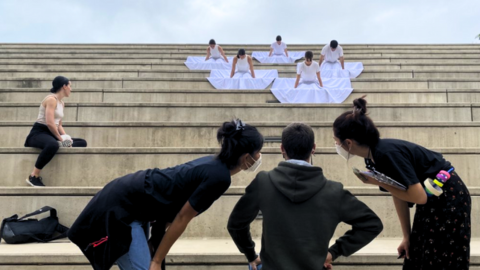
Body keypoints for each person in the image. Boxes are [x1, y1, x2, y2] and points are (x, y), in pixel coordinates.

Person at [68, 119, 264, 270]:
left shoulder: (215, 166)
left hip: (133, 205)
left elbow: (172, 207)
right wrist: (156, 261)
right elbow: (181, 218)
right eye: (258, 152)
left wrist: (155, 245)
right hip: (121, 210)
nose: (259, 157)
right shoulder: (219, 177)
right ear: (246, 157)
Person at [333, 97, 471, 270]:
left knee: (441, 258)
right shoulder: (373, 157)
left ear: (348, 143)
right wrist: (407, 236)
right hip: (432, 197)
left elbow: (418, 197)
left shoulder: (386, 153)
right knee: (419, 254)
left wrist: (375, 181)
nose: (336, 144)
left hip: (448, 197)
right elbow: (398, 193)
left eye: (336, 140)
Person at [228, 123, 383, 270]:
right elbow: (371, 224)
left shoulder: (263, 183)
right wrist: (334, 252)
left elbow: (236, 224)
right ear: (313, 148)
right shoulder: (334, 191)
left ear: (282, 148)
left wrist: (250, 254)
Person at [24, 76, 87, 187]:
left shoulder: (61, 103)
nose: (71, 89)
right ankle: (34, 176)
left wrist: (67, 138)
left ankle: (61, 144)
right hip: (39, 133)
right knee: (52, 145)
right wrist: (60, 138)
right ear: (64, 86)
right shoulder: (51, 99)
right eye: (70, 86)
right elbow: (49, 123)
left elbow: (59, 125)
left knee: (82, 142)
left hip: (52, 134)